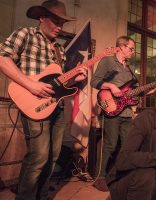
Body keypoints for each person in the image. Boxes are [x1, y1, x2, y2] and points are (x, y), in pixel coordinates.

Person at [0, 1, 88, 199]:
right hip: (34, 104)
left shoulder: (60, 50)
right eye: (56, 21)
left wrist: (75, 78)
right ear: (42, 18)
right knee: (38, 157)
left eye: (62, 23)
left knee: (52, 158)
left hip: (55, 107)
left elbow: (57, 82)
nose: (59, 26)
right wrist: (31, 85)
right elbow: (2, 58)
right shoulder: (26, 34)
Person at [90, 36, 137, 191]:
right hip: (112, 110)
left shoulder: (129, 68)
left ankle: (122, 176)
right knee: (110, 144)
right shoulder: (108, 61)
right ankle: (100, 177)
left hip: (127, 113)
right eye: (130, 48)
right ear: (121, 47)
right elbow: (94, 81)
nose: (133, 51)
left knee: (127, 146)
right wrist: (110, 86)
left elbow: (132, 92)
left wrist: (142, 94)